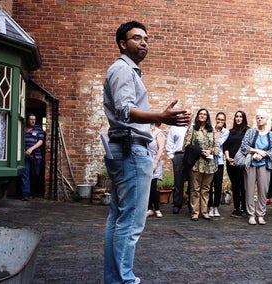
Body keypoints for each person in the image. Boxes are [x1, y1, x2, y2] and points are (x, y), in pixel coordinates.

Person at [103, 21, 191, 284]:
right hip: (131, 151)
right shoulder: (121, 70)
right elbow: (124, 109)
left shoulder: (129, 72)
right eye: (137, 38)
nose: (144, 42)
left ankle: (115, 279)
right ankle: (124, 280)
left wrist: (158, 119)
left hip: (126, 148)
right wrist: (159, 115)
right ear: (122, 43)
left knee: (119, 217)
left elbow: (128, 113)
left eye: (147, 39)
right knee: (130, 223)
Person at [240, 110, 272, 225]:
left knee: (263, 190)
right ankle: (251, 214)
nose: (259, 119)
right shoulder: (250, 132)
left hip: (264, 164)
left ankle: (260, 215)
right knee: (249, 190)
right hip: (251, 163)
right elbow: (244, 146)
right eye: (258, 118)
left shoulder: (270, 134)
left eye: (262, 118)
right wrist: (256, 152)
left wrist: (263, 154)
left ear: (266, 120)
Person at [183, 108, 220, 221]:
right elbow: (185, 146)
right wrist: (199, 151)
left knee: (206, 189)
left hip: (209, 164)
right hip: (196, 163)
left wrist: (211, 151)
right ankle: (195, 212)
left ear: (207, 117)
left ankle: (204, 212)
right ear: (198, 116)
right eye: (201, 114)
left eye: (205, 114)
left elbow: (217, 147)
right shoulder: (192, 129)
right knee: (195, 188)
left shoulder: (212, 130)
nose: (203, 116)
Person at [223, 110, 250, 218]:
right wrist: (228, 158)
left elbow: (249, 146)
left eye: (240, 116)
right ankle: (236, 208)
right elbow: (226, 146)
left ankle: (244, 208)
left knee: (243, 185)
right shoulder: (231, 132)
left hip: (242, 163)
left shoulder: (248, 131)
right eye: (236, 116)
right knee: (234, 185)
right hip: (231, 162)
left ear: (243, 118)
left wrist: (239, 159)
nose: (238, 118)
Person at [208, 112, 229, 217]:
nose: (220, 121)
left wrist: (213, 139)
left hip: (219, 161)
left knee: (218, 184)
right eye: (219, 119)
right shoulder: (210, 128)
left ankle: (216, 206)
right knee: (208, 184)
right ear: (215, 119)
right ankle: (209, 207)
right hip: (209, 160)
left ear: (224, 121)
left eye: (222, 120)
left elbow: (219, 143)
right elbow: (208, 142)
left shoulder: (226, 132)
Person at [21, 113, 45, 201]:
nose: (33, 121)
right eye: (31, 119)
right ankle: (25, 194)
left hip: (36, 156)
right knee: (25, 174)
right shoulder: (22, 128)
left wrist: (31, 149)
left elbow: (40, 141)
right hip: (24, 156)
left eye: (34, 119)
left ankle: (32, 191)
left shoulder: (38, 128)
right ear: (27, 120)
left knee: (35, 174)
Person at [166, 125, 189, 214]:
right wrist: (172, 156)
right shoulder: (174, 128)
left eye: (188, 115)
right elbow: (170, 141)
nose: (187, 116)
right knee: (178, 181)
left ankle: (191, 205)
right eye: (184, 114)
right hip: (179, 155)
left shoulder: (194, 127)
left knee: (192, 181)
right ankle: (177, 205)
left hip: (191, 155)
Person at [147, 123, 166, 218]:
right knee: (147, 186)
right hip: (145, 160)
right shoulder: (145, 132)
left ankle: (157, 208)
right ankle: (149, 208)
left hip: (154, 160)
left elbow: (161, 148)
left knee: (153, 186)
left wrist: (155, 162)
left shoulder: (159, 133)